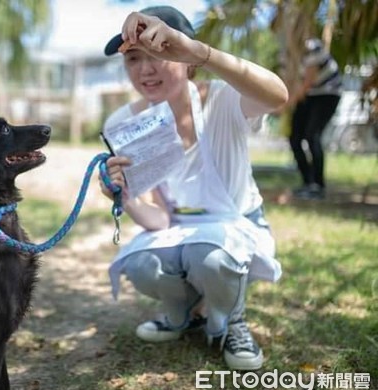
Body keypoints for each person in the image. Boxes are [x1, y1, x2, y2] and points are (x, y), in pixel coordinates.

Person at [98, 6, 288, 371]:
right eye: (134, 58)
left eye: (158, 54)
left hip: (234, 227)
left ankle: (231, 319)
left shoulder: (224, 98)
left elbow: (277, 96)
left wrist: (201, 51)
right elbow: (159, 219)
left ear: (186, 59)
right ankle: (181, 313)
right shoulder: (123, 122)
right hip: (177, 230)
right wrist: (125, 197)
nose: (146, 69)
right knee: (139, 264)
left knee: (212, 259)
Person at [287, 38, 341, 200]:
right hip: (311, 96)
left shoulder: (311, 46)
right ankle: (308, 183)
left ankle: (318, 186)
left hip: (327, 94)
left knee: (312, 135)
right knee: (295, 138)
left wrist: (285, 104)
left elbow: (308, 82)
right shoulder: (290, 55)